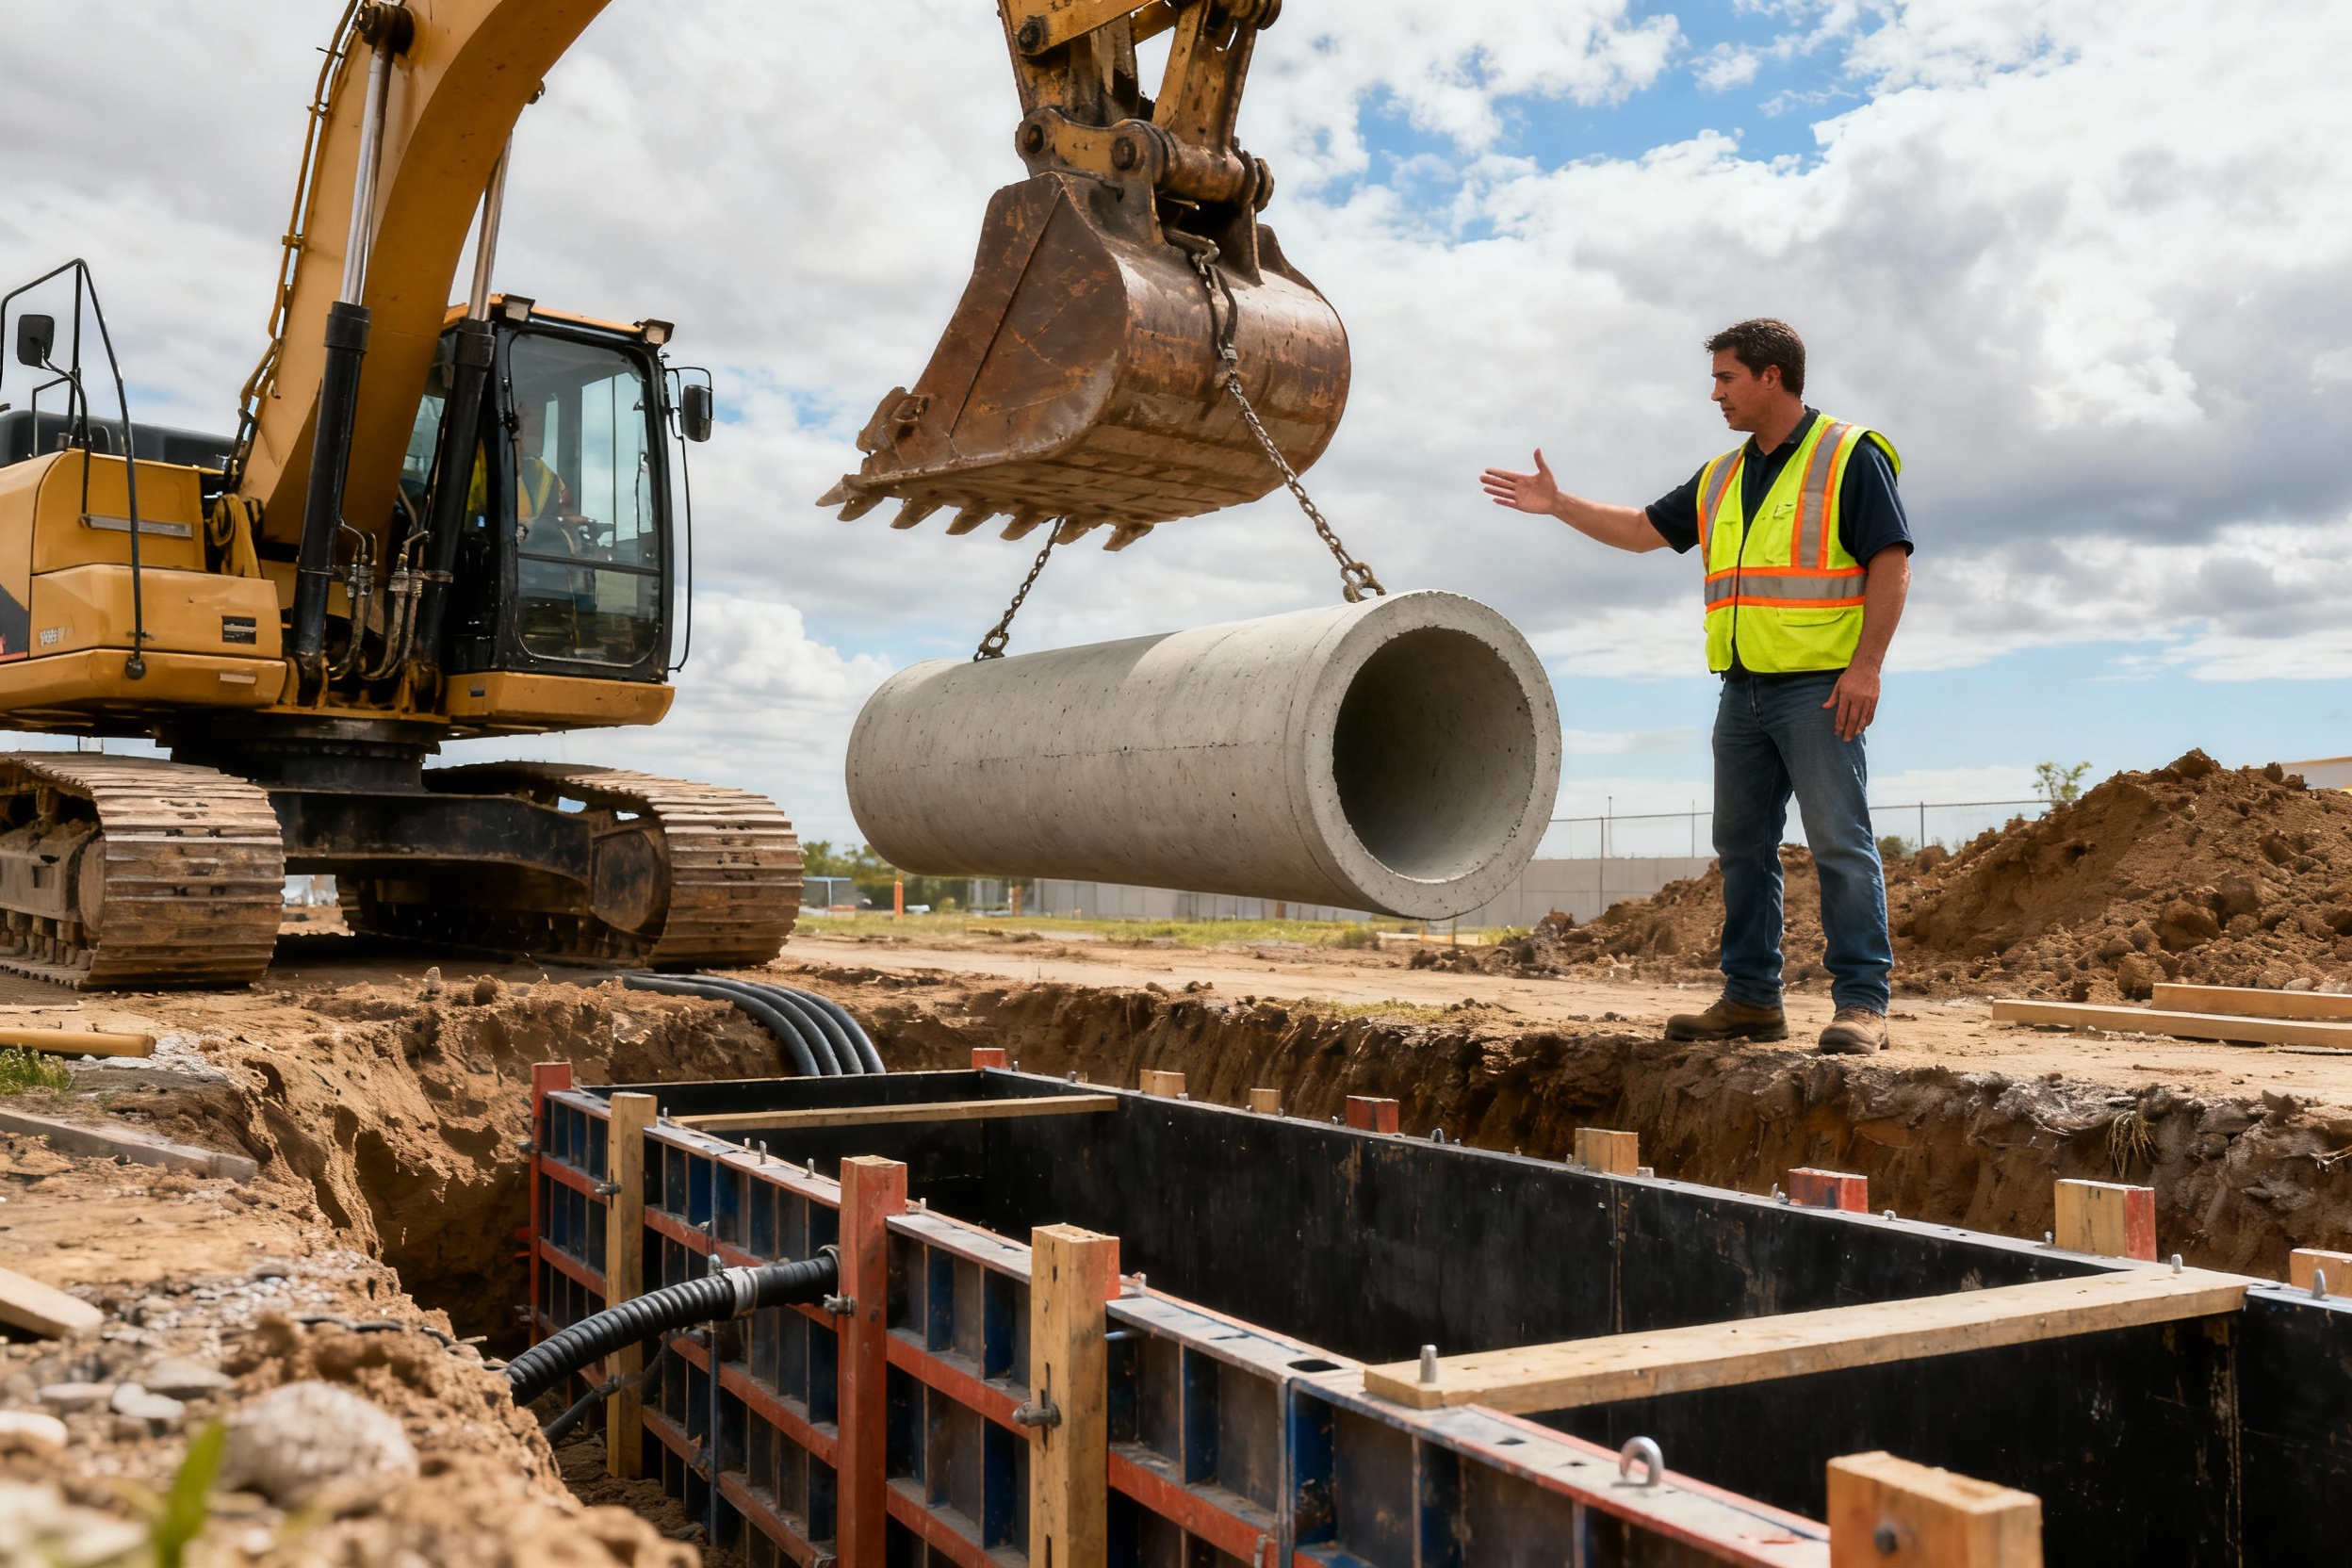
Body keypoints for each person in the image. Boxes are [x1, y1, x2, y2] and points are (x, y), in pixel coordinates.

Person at [1479, 318, 1913, 1054]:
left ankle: (1861, 1004)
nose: (1715, 393)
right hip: (1741, 693)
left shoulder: (1848, 456)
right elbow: (1645, 529)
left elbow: (1891, 561)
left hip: (1820, 690)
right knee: (1741, 846)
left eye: (1726, 378)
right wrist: (1560, 505)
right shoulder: (1721, 476)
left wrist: (1866, 666)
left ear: (1771, 376)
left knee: (1840, 842)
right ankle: (1751, 999)